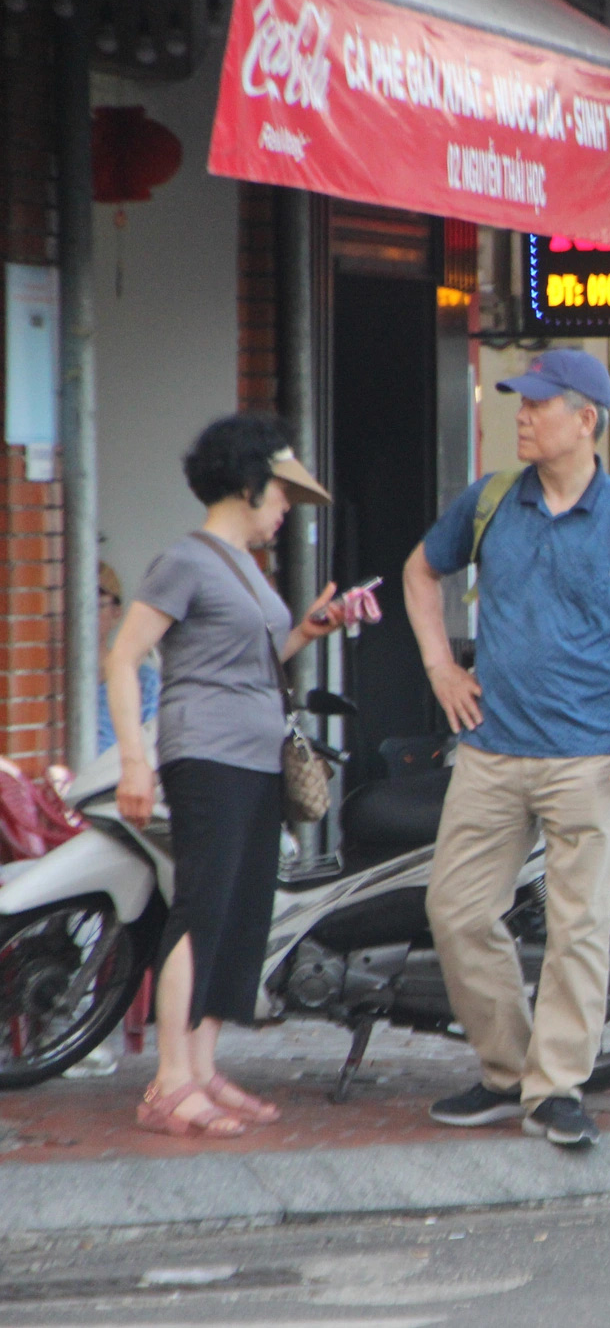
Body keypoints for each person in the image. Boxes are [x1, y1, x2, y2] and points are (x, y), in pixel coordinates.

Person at [406, 349, 610, 1150]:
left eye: (535, 405)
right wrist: (439, 668)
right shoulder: (489, 501)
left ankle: (556, 1086)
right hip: (492, 748)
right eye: (517, 404)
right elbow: (419, 574)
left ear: (585, 419)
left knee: (579, 926)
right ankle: (504, 1071)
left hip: (592, 754)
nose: (519, 417)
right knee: (456, 910)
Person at [104, 415, 342, 1137]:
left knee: (239, 915)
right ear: (247, 483)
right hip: (203, 751)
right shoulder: (187, 559)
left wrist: (308, 630)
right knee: (202, 908)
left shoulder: (242, 564)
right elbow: (124, 656)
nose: (283, 510)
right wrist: (135, 760)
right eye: (279, 494)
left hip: (254, 752)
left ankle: (202, 1067)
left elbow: (246, 658)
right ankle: (171, 1081)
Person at [95, 564, 159, 756]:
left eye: (97, 605)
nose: (84, 613)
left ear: (116, 613)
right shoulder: (46, 677)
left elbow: (151, 745)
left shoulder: (144, 679)